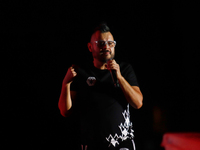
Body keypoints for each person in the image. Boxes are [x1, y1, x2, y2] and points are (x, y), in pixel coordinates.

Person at [58, 23, 143, 150]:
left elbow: (138, 103)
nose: (106, 47)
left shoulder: (124, 69)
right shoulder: (81, 72)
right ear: (90, 47)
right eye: (101, 43)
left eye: (110, 43)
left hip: (122, 143)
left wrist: (119, 77)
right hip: (92, 144)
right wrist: (66, 84)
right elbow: (65, 112)